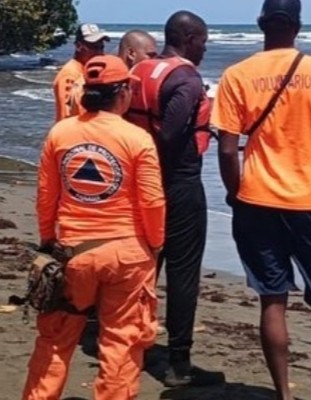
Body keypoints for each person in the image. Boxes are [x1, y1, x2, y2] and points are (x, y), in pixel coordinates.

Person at [211, 1, 311, 399]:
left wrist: (234, 191)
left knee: (272, 301)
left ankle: (284, 394)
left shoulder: (236, 75)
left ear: (261, 24)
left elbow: (227, 150)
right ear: (297, 26)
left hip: (257, 200)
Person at [23, 55, 165, 400]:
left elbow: (46, 196)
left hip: (73, 251)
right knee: (122, 341)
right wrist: (156, 243)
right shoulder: (138, 138)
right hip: (128, 254)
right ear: (124, 93)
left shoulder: (61, 132)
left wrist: (47, 240)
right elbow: (152, 202)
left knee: (56, 338)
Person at [124, 10, 213, 387]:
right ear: (189, 39)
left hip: (137, 182)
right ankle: (179, 362)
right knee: (183, 272)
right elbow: (172, 136)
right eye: (203, 42)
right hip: (178, 183)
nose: (205, 49)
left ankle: (128, 345)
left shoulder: (137, 72)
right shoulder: (186, 79)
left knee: (144, 267)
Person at [53, 23, 109, 121]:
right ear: (79, 46)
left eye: (101, 48)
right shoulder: (70, 75)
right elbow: (66, 114)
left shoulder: (86, 70)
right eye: (94, 47)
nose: (100, 53)